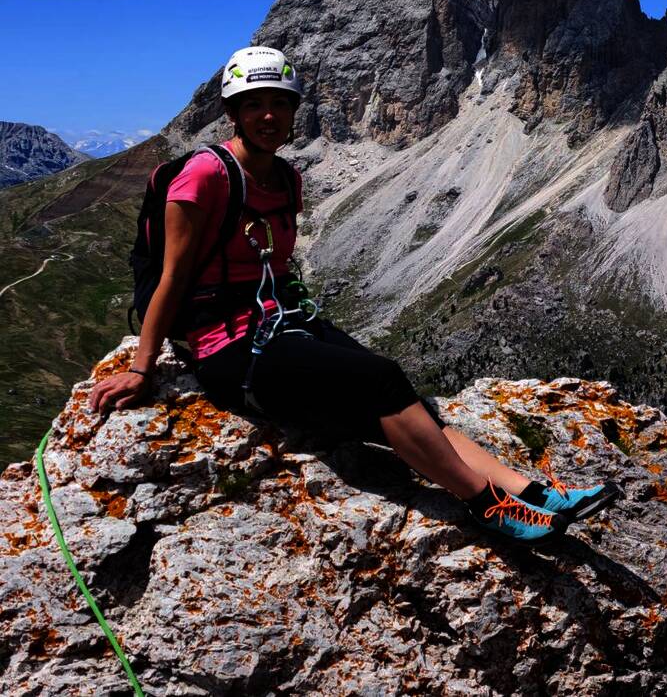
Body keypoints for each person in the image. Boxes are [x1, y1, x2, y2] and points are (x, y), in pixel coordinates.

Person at [87, 46, 617, 543]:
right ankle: (488, 505)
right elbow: (172, 277)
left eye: (279, 104)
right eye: (253, 106)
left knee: (399, 399)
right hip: (224, 348)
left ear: (294, 110)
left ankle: (534, 492)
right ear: (233, 113)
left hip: (276, 322)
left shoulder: (287, 178)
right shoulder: (205, 175)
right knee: (379, 380)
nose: (268, 116)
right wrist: (141, 366)